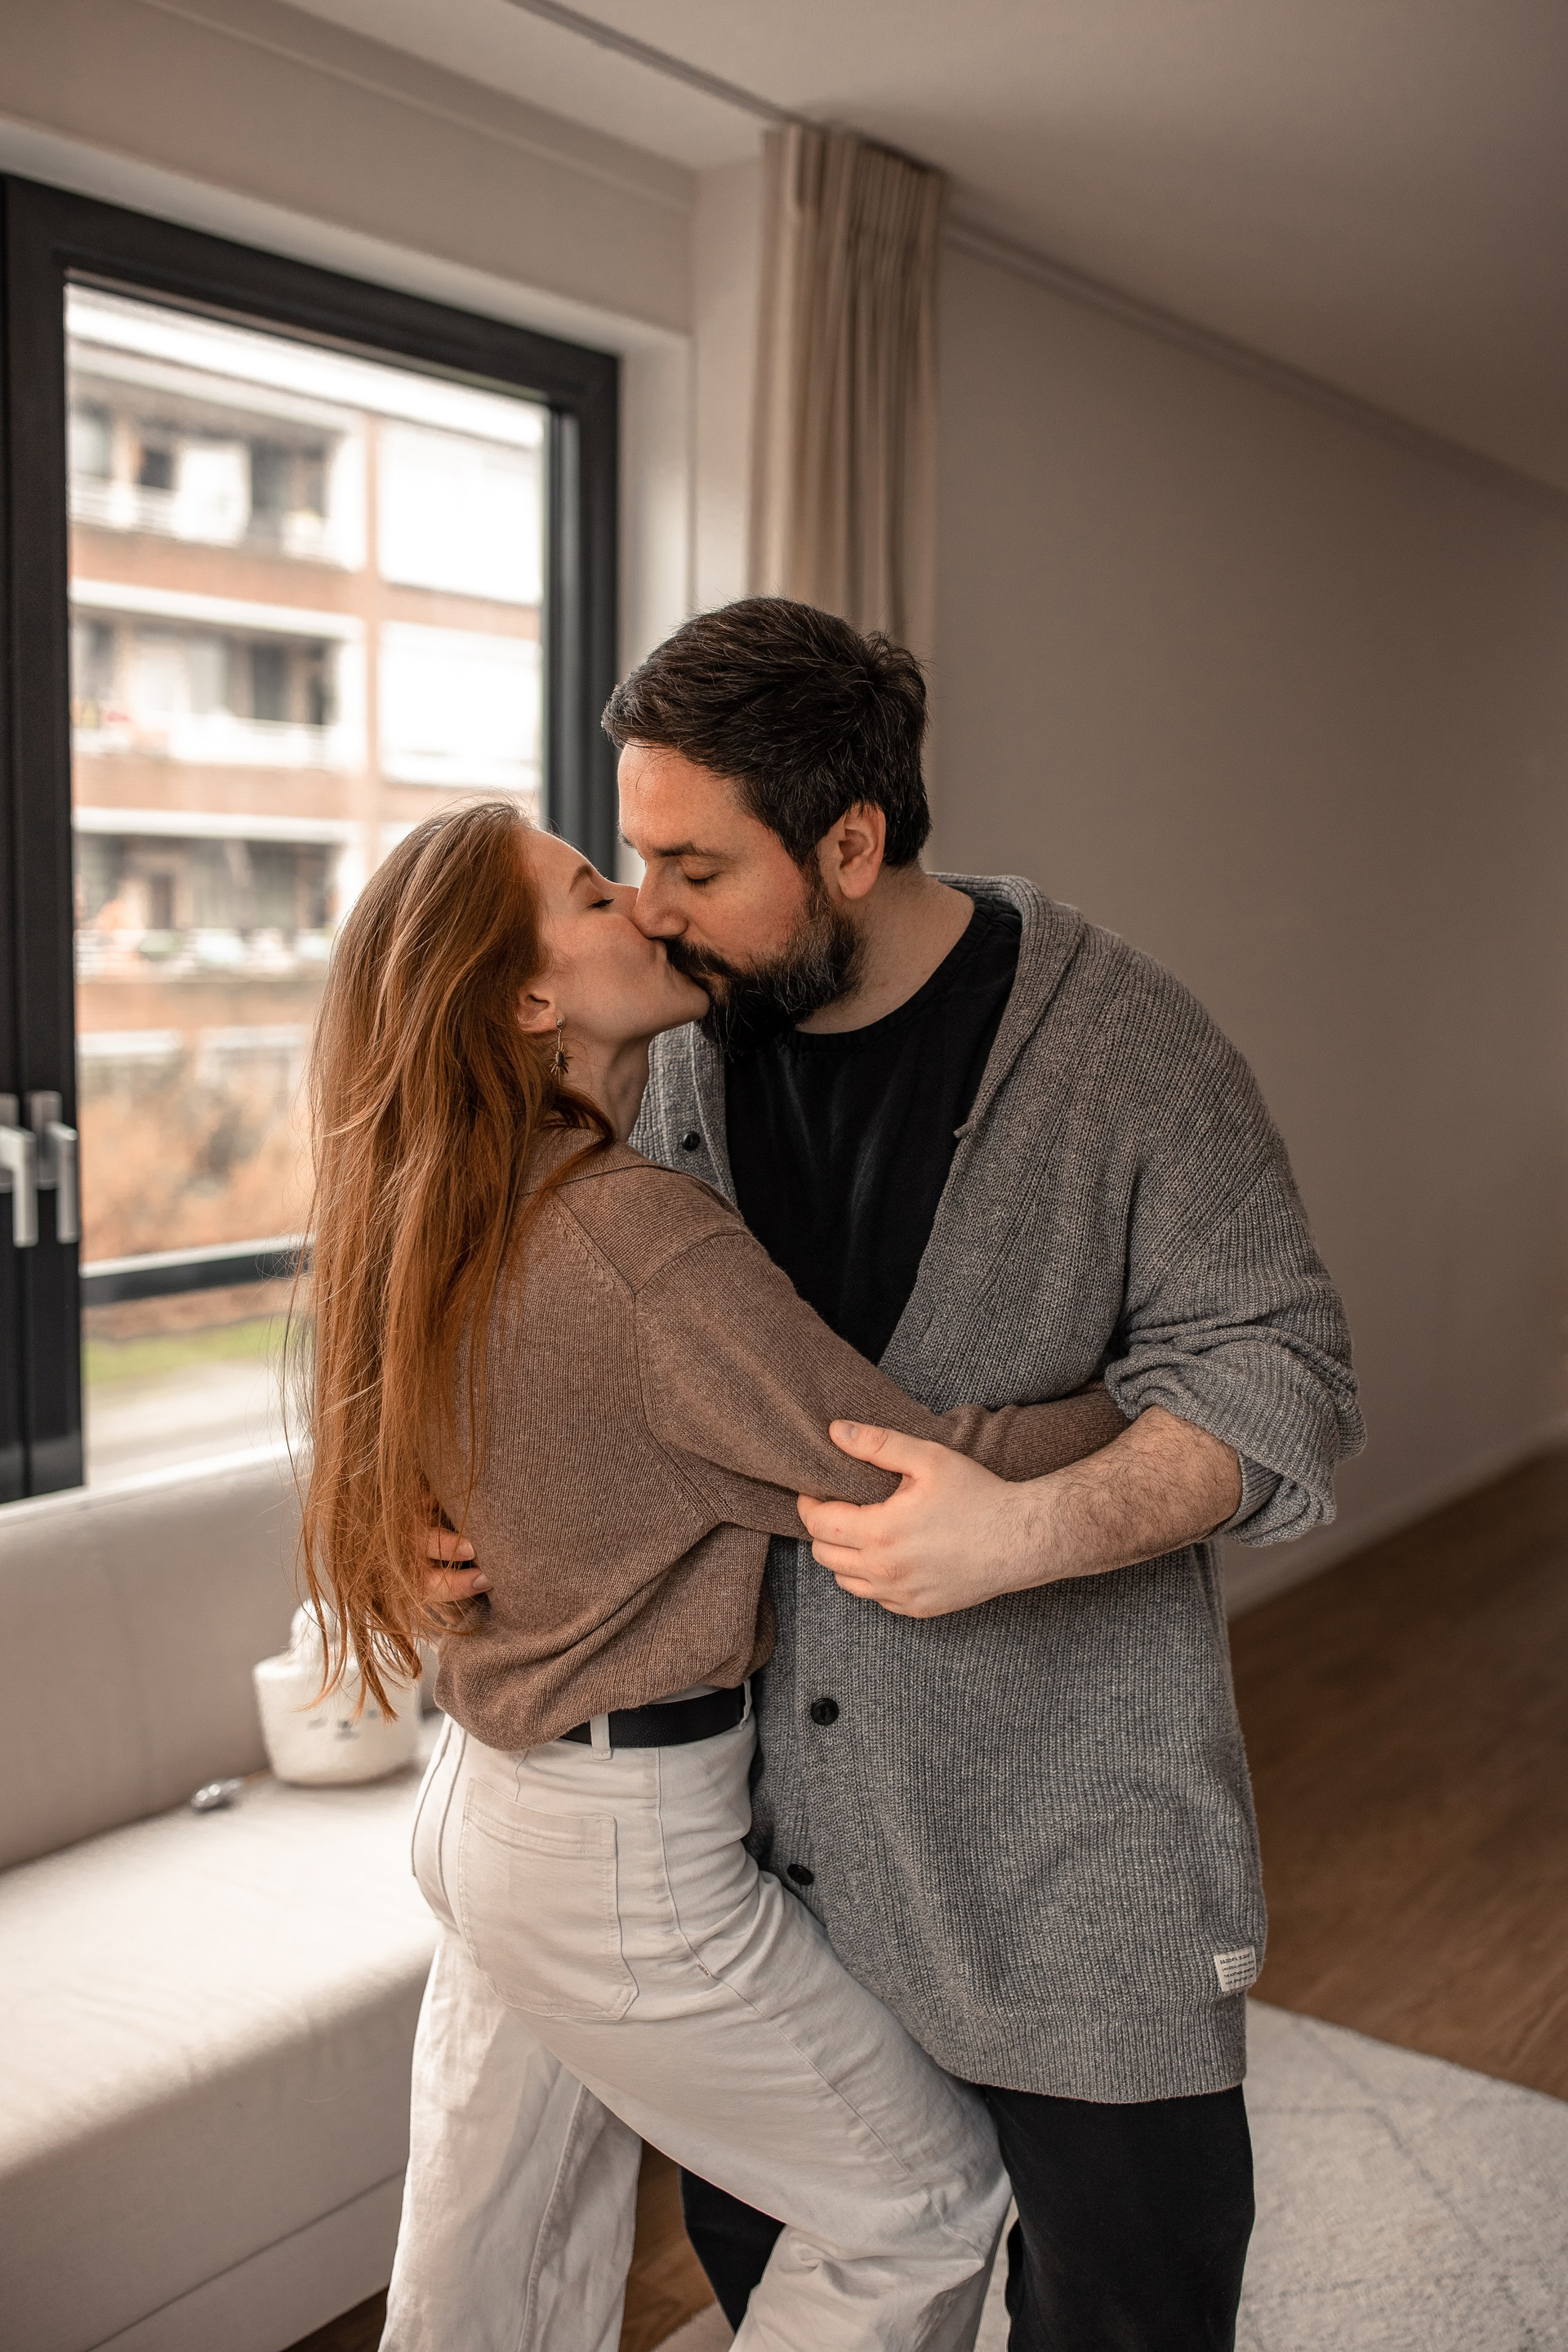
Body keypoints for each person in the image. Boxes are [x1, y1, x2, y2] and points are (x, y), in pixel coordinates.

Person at [430, 599, 1363, 2351]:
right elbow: (540, 1335)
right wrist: (449, 1516)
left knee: (1135, 2301)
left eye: (697, 866)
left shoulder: (1125, 1045)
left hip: (1074, 1848)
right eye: (635, 861)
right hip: (775, 1861)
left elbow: (1283, 1370)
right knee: (805, 2289)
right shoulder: (666, 1046)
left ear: (850, 846)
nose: (651, 907)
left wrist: (1031, 1531)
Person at [299, 798, 1127, 2352]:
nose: (646, 906)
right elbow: (898, 1461)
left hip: (487, 1807)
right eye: (593, 893)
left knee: (493, 2257)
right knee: (925, 2207)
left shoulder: (445, 1206)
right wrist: (1152, 1409)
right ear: (529, 999)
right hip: (609, 1852)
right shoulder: (627, 1237)